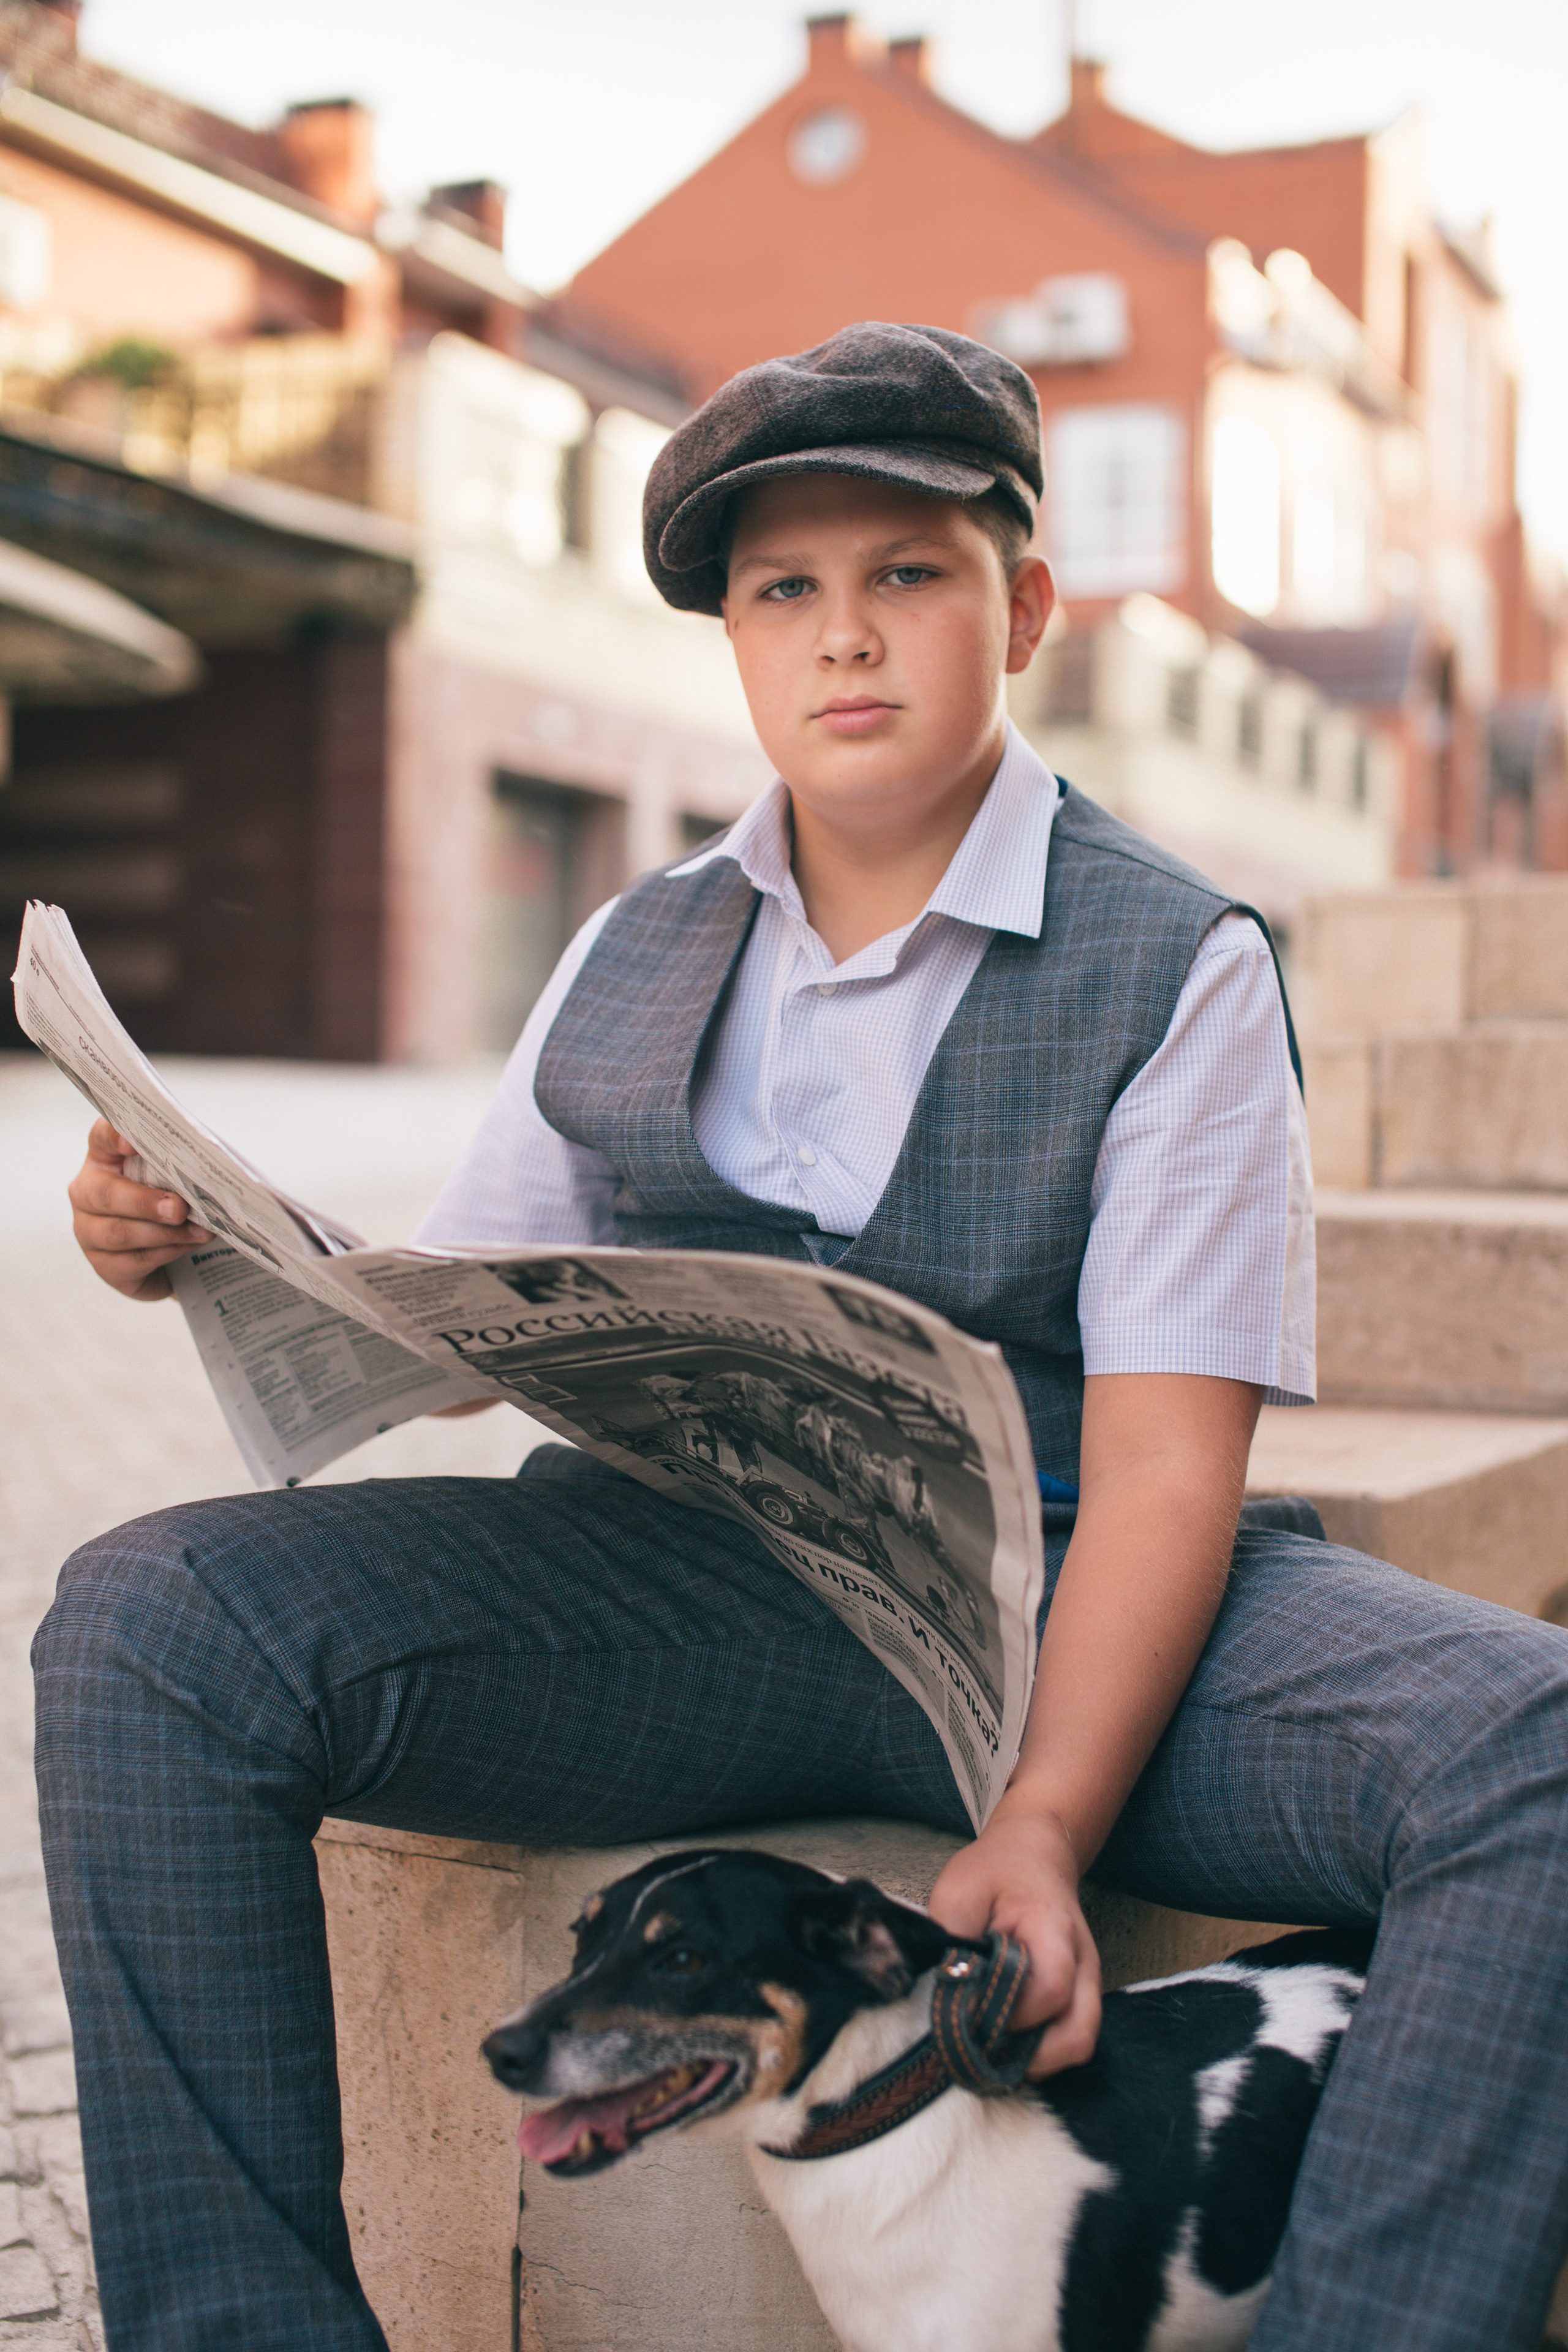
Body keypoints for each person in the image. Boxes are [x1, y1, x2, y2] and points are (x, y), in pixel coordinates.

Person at [40, 321, 1568, 2352]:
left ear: (1022, 606)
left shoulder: (1175, 962)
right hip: (688, 1608)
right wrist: (216, 1245)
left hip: (1067, 1615)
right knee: (150, 1629)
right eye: (788, 593)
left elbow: (1173, 1473)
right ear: (740, 648)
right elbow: (478, 1311)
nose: (846, 638)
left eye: (906, 576)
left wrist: (1045, 1825)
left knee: (1530, 1748)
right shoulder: (636, 942)